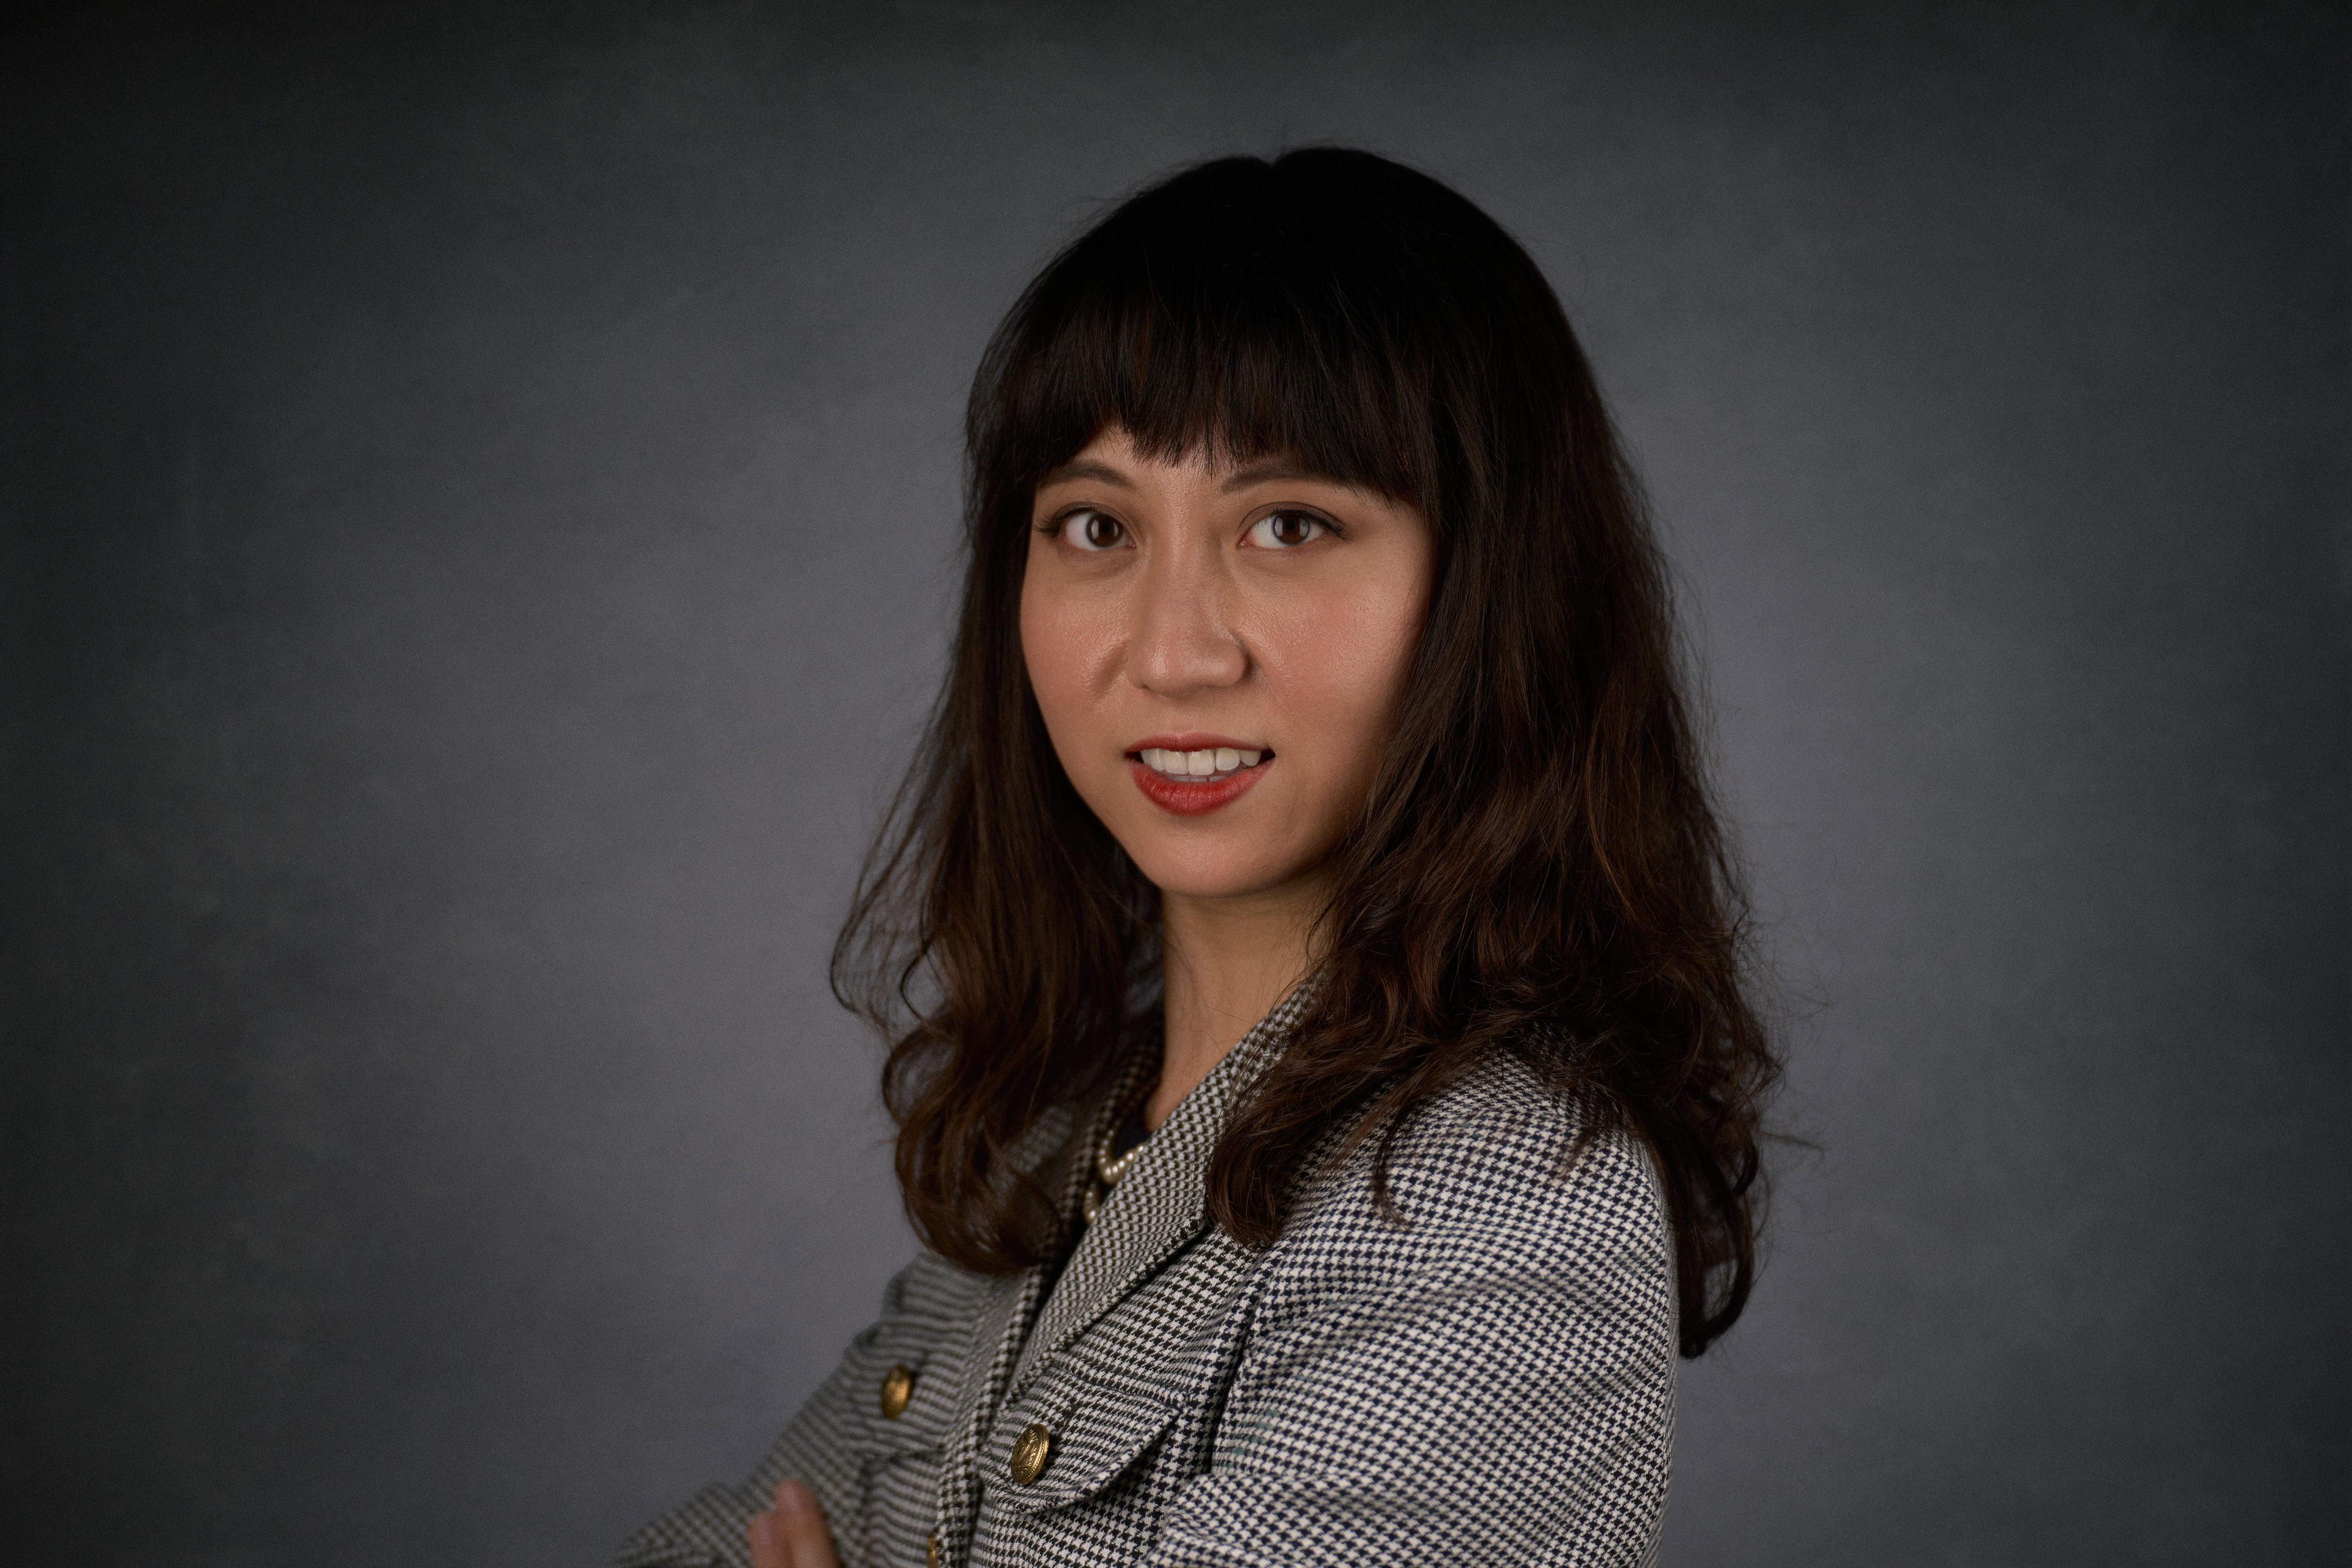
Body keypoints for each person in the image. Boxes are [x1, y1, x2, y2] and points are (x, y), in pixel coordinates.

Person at [613, 146, 1777, 1568]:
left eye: (1289, 526)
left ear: (1494, 590)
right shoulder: (1066, 1129)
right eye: (1096, 527)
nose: (1170, 654)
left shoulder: (1499, 1201)